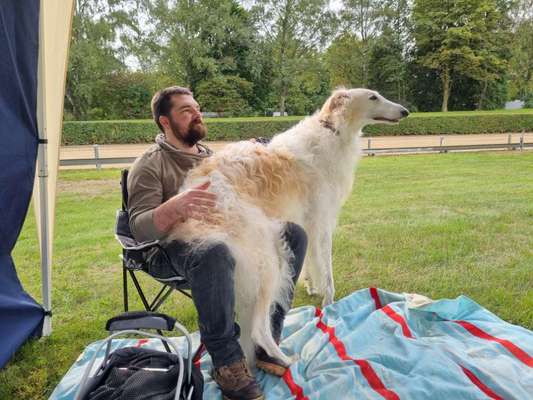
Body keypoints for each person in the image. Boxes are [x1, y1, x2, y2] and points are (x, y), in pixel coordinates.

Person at [127, 86, 307, 400]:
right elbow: (138, 228)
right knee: (214, 251)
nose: (197, 114)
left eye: (196, 107)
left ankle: (266, 340)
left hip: (228, 234)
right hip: (168, 246)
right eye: (186, 110)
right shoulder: (150, 164)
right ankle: (227, 363)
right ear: (165, 122)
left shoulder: (212, 157)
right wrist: (175, 206)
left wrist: (255, 161)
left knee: (293, 235)